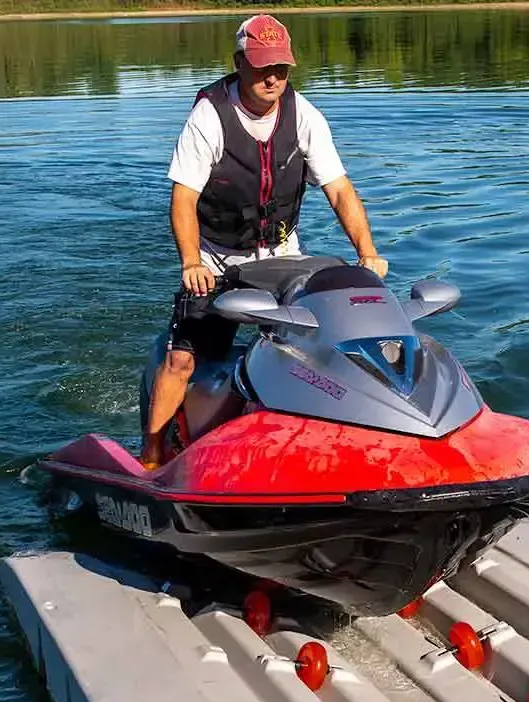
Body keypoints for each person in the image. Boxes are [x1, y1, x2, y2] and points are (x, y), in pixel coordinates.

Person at [142, 12, 387, 468]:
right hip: (217, 261)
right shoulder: (209, 117)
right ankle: (152, 453)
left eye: (280, 67)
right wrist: (191, 261)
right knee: (181, 360)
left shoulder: (306, 115)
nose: (272, 78)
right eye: (261, 67)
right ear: (239, 63)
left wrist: (366, 252)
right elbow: (183, 199)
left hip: (282, 257)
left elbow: (339, 189)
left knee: (321, 353)